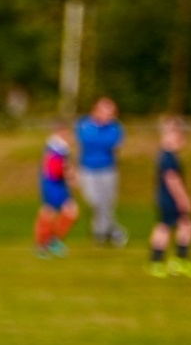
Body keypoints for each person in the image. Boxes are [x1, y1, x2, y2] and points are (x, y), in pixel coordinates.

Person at [148, 116, 191, 278]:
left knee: (165, 226)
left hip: (163, 197)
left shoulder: (163, 154)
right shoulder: (169, 157)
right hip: (171, 198)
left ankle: (157, 261)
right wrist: (183, 199)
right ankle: (179, 261)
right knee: (186, 225)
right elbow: (172, 179)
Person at [76, 97, 126, 246]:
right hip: (88, 169)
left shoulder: (115, 127)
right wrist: (100, 138)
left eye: (111, 112)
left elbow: (112, 143)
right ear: (96, 110)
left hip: (108, 169)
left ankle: (100, 234)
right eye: (106, 111)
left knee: (107, 203)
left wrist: (100, 138)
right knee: (94, 201)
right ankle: (114, 230)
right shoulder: (84, 124)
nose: (109, 115)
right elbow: (86, 140)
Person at [33, 120, 78, 259]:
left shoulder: (61, 147)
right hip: (53, 185)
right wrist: (69, 174)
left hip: (58, 184)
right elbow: (53, 170)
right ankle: (43, 244)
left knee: (71, 211)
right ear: (61, 132)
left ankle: (51, 240)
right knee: (50, 213)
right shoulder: (54, 148)